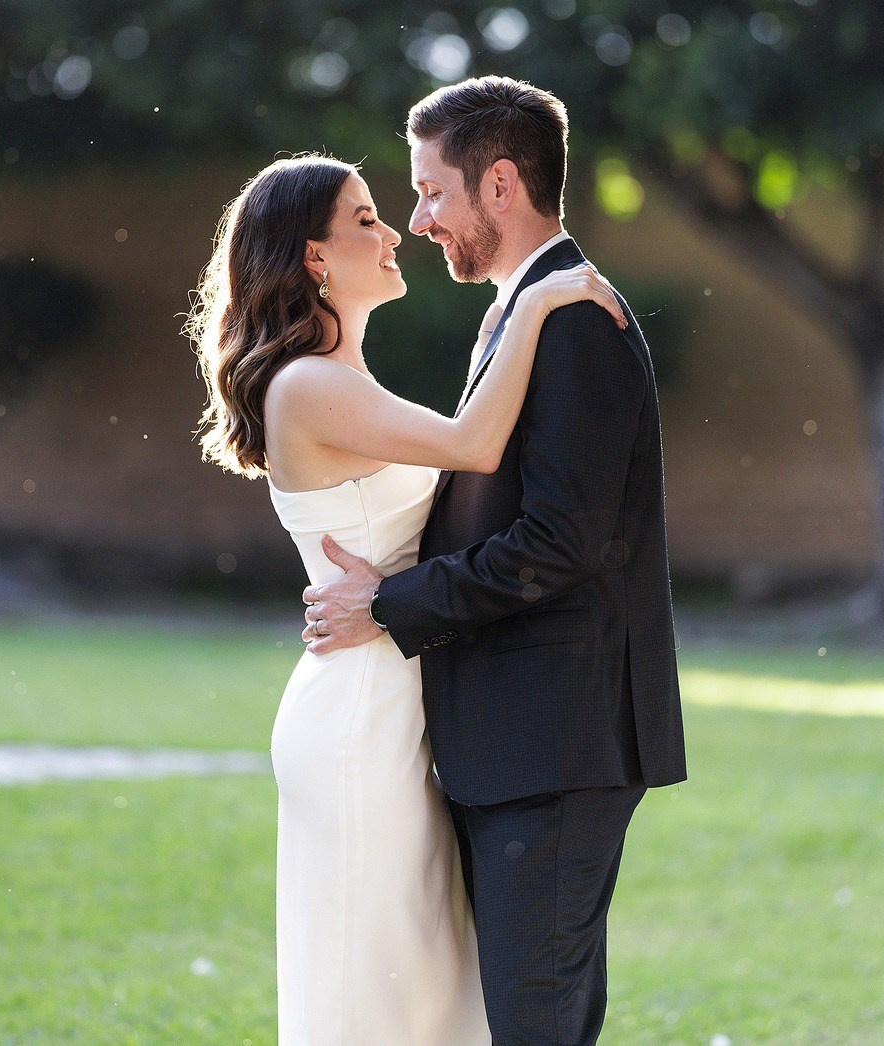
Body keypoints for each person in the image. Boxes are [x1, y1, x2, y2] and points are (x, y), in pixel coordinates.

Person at [187, 144, 626, 1046]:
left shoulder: (342, 381)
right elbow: (474, 446)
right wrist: (533, 303)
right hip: (361, 715)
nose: (394, 232)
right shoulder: (309, 385)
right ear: (314, 257)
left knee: (423, 986)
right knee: (375, 986)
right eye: (365, 220)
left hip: (398, 695)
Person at [305, 75, 689, 1046]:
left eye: (432, 191)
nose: (418, 220)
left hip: (553, 740)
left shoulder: (574, 322)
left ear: (502, 184)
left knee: (534, 1027)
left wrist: (389, 602)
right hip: (518, 741)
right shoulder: (531, 313)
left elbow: (558, 543)